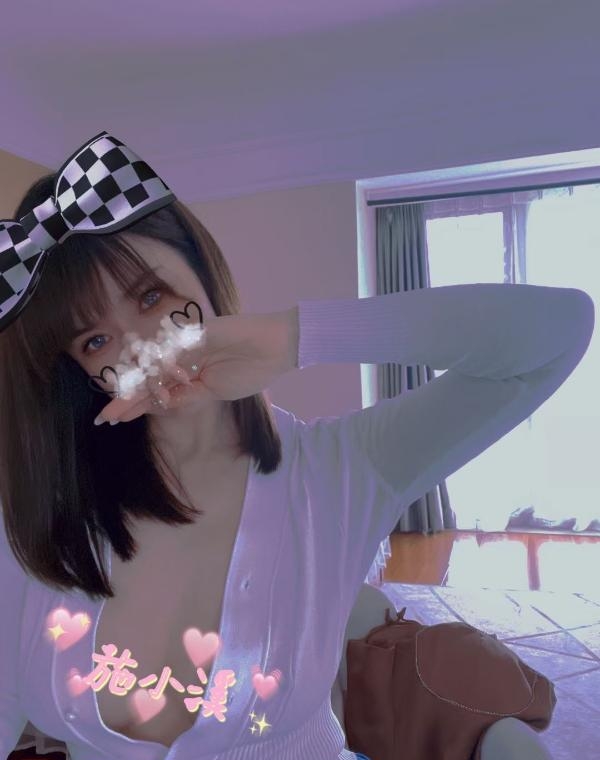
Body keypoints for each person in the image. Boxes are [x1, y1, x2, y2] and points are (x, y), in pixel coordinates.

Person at [0, 132, 594, 760]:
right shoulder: (33, 520)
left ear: (203, 270)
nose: (139, 348)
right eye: (94, 341)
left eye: (151, 296)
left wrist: (294, 337)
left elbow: (556, 332)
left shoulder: (342, 471)